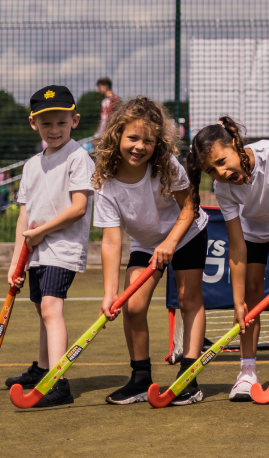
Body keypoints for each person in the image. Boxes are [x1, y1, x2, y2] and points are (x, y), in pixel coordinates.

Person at [92, 97, 208, 406]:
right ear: (117, 135)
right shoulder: (106, 182)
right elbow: (111, 240)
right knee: (132, 305)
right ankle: (141, 379)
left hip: (185, 234)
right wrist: (110, 293)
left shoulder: (166, 166)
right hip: (146, 243)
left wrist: (170, 242)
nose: (139, 146)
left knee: (188, 299)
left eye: (148, 140)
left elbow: (189, 207)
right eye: (133, 138)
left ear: (158, 143)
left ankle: (188, 378)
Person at [186, 116, 269, 402]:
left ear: (235, 143)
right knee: (251, 296)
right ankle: (247, 371)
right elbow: (237, 246)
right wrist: (238, 302)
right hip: (252, 232)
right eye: (211, 170)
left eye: (221, 161)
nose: (220, 172)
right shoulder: (224, 188)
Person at [1, 86, 95, 407]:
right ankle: (43, 369)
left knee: (51, 307)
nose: (54, 130)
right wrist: (17, 262)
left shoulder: (79, 158)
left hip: (63, 247)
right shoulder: (30, 166)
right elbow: (24, 218)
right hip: (37, 250)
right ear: (33, 124)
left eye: (61, 123)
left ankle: (59, 382)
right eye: (46, 124)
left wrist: (42, 234)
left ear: (74, 120)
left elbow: (79, 207)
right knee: (43, 308)